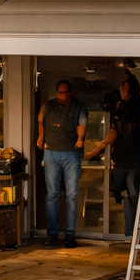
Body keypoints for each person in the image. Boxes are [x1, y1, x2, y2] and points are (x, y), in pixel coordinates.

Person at [84, 76, 140, 238]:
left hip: (135, 156)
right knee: (123, 190)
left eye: (125, 89)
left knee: (132, 190)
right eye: (122, 89)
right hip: (122, 157)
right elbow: (114, 130)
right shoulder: (122, 108)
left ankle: (135, 229)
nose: (122, 92)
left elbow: (138, 131)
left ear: (132, 90)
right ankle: (130, 229)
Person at [37, 79, 87, 248]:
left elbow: (82, 124)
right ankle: (52, 233)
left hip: (71, 154)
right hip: (51, 152)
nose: (61, 95)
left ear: (70, 93)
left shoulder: (78, 107)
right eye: (59, 92)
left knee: (71, 195)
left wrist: (80, 138)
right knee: (52, 194)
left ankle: (70, 234)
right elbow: (41, 120)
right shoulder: (48, 106)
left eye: (64, 92)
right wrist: (41, 137)